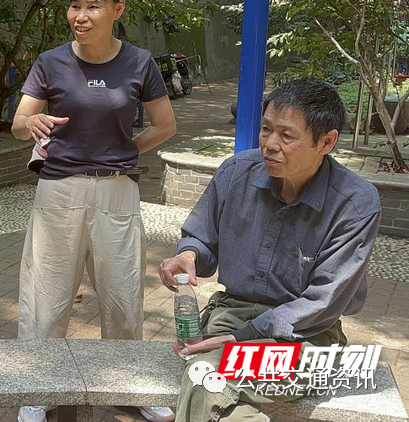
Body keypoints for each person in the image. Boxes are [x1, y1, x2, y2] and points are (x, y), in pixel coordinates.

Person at [11, 0, 178, 422]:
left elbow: (165, 125)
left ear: (118, 9)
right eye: (75, 6)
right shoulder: (50, 62)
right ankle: (38, 388)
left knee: (123, 294)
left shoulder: (140, 63)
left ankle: (129, 384)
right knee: (46, 294)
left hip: (117, 191)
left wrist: (122, 151)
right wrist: (31, 122)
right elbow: (19, 124)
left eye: (93, 7)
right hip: (59, 191)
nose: (80, 16)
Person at [159, 79, 380, 421]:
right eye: (266, 129)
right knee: (210, 387)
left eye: (286, 135)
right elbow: (201, 239)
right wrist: (187, 255)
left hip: (307, 335)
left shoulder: (354, 203)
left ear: (326, 142)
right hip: (230, 315)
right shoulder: (236, 172)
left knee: (206, 377)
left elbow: (322, 302)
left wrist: (240, 339)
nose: (270, 145)